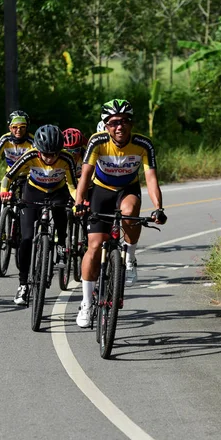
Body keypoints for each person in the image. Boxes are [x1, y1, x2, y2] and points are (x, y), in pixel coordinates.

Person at [75, 98, 167, 328]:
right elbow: (85, 175)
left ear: (131, 123)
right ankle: (86, 303)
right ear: (106, 125)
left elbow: (151, 178)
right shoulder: (97, 142)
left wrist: (159, 208)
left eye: (124, 121)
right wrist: (79, 202)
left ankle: (131, 257)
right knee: (94, 246)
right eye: (114, 122)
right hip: (102, 191)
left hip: (127, 189)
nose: (119, 126)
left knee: (129, 213)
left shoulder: (143, 145)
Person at [0, 124, 78, 305]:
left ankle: (60, 246)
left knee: (62, 217)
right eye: (46, 154)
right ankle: (23, 285)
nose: (50, 159)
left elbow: (73, 186)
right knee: (26, 239)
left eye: (54, 154)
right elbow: (8, 176)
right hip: (33, 192)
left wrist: (78, 201)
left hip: (58, 192)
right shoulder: (30, 155)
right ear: (38, 149)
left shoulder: (66, 159)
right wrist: (4, 191)